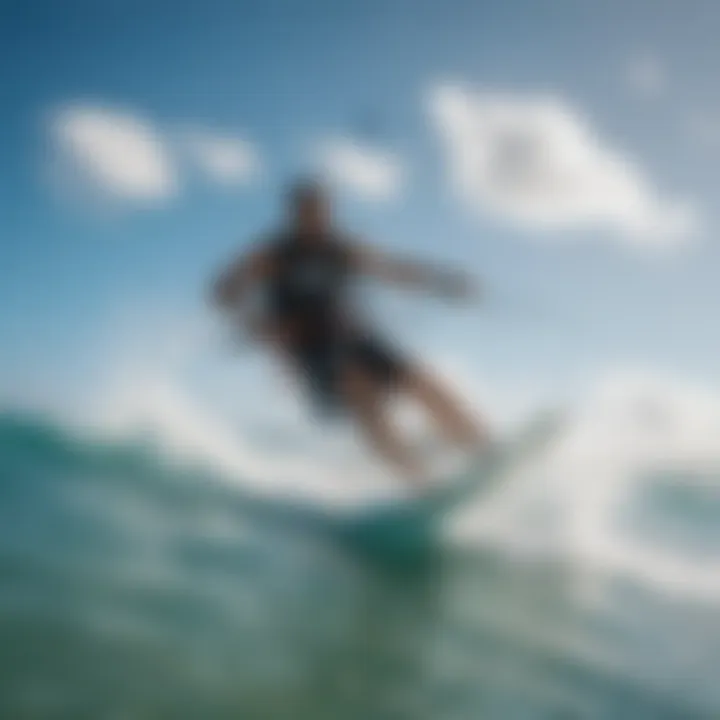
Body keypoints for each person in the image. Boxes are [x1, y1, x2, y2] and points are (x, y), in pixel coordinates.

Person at [210, 179, 489, 487]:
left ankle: (480, 448)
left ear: (327, 212)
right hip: (311, 350)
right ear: (294, 214)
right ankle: (418, 480)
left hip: (354, 337)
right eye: (307, 211)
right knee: (362, 396)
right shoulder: (273, 256)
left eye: (320, 211)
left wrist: (443, 282)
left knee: (421, 381)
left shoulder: (340, 250)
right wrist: (257, 324)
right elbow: (222, 292)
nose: (315, 217)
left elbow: (392, 269)